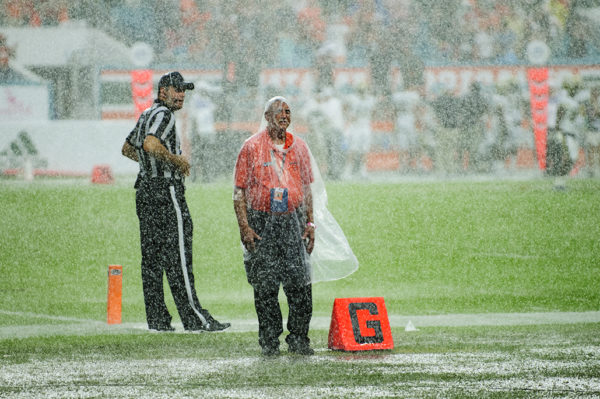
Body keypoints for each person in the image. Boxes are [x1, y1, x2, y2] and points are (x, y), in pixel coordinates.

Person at [121, 71, 230, 333]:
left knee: (152, 259)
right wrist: (174, 161)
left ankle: (158, 319)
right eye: (176, 90)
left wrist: (151, 166)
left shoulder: (147, 114)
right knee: (179, 256)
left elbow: (128, 148)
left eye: (184, 90)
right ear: (163, 92)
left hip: (145, 191)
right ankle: (195, 318)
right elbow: (149, 144)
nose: (181, 95)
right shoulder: (164, 115)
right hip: (166, 192)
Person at [233, 96, 315, 356]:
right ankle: (269, 340)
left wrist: (310, 222)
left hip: (293, 220)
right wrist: (245, 227)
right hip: (262, 221)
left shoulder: (299, 147)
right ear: (266, 116)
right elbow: (239, 192)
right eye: (278, 111)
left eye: (288, 111)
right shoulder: (251, 147)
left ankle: (299, 338)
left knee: (300, 282)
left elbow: (307, 188)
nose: (284, 115)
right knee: (265, 284)